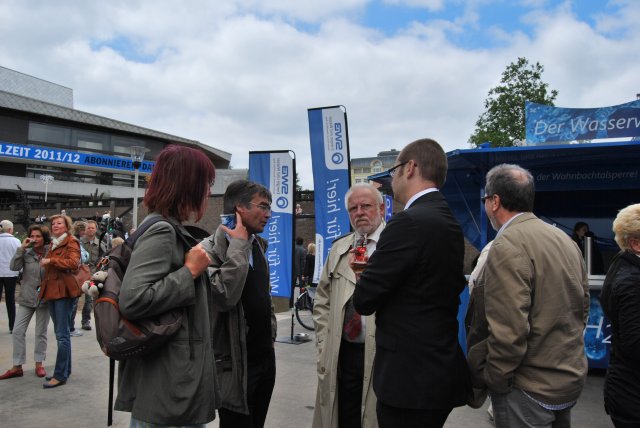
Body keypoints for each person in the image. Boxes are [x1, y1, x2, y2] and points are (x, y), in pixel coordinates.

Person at [352, 139, 471, 428]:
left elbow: (364, 300)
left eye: (394, 171)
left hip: (408, 382)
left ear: (410, 168)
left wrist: (364, 275)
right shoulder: (447, 219)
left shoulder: (407, 223)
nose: (392, 179)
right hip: (437, 373)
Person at [467, 164, 589, 428]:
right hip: (566, 379)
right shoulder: (563, 239)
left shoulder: (507, 244)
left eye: (485, 199)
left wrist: (496, 378)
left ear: (495, 201)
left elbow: (509, 330)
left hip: (526, 389)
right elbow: (583, 306)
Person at [113, 145, 218, 426]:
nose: (208, 191)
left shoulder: (162, 225)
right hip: (167, 383)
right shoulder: (161, 230)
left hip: (168, 377)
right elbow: (134, 299)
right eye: (205, 183)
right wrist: (189, 272)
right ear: (188, 184)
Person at [201, 179, 277, 428]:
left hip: (264, 360)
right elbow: (224, 295)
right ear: (239, 208)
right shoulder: (207, 251)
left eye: (269, 208)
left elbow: (264, 297)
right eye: (263, 206)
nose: (268, 214)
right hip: (234, 365)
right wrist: (238, 246)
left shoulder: (259, 246)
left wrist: (271, 335)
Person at [312, 182, 385, 428]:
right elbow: (322, 300)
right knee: (344, 416)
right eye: (353, 208)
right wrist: (324, 343)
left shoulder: (395, 247)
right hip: (344, 353)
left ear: (382, 209)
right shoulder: (339, 249)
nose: (359, 212)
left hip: (381, 354)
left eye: (366, 206)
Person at [600, 203, 640, 427]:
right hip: (632, 396)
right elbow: (635, 343)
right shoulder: (632, 282)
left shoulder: (623, 265)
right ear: (635, 243)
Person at [0, 224, 51, 380]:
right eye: (32, 236)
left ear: (44, 238)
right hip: (27, 297)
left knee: (40, 332)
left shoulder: (51, 252)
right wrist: (21, 248)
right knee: (17, 331)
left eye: (38, 236)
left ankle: (39, 364)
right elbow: (13, 267)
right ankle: (17, 365)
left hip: (44, 297)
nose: (35, 239)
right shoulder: (26, 252)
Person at [39, 214, 83, 388]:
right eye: (53, 223)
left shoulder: (71, 241)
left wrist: (51, 260)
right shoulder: (55, 242)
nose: (55, 225)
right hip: (53, 290)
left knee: (62, 335)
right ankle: (64, 370)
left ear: (67, 226)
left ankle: (60, 375)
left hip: (63, 291)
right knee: (62, 334)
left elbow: (73, 263)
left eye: (59, 223)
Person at [79, 219, 105, 331]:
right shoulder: (79, 242)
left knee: (89, 298)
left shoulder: (100, 244)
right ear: (85, 230)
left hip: (92, 274)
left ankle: (86, 321)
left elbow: (104, 258)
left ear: (96, 229)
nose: (90, 230)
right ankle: (70, 323)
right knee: (74, 299)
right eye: (88, 228)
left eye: (92, 228)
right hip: (79, 273)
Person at [0, 219, 21, 333]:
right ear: (10, 229)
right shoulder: (16, 241)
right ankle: (12, 326)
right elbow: (19, 257)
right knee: (10, 300)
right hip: (11, 273)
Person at [68, 220, 88, 337]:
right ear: (81, 231)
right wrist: (86, 255)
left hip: (70, 275)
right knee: (73, 303)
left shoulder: (71, 239)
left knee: (72, 303)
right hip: (74, 276)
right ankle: (70, 328)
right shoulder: (76, 241)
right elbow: (82, 257)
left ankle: (68, 327)